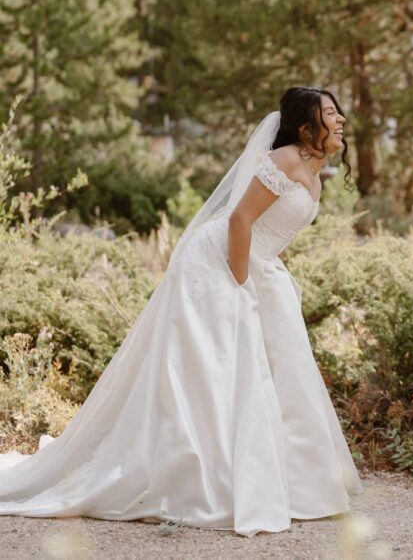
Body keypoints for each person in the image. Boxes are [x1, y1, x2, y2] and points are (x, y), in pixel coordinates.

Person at [0, 86, 364, 537]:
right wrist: (241, 283)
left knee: (272, 365)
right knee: (211, 367)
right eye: (330, 113)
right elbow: (239, 220)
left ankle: (287, 477)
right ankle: (202, 477)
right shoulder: (286, 159)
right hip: (216, 263)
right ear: (307, 127)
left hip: (255, 262)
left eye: (338, 112)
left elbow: (273, 230)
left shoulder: (314, 170)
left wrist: (270, 273)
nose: (340, 119)